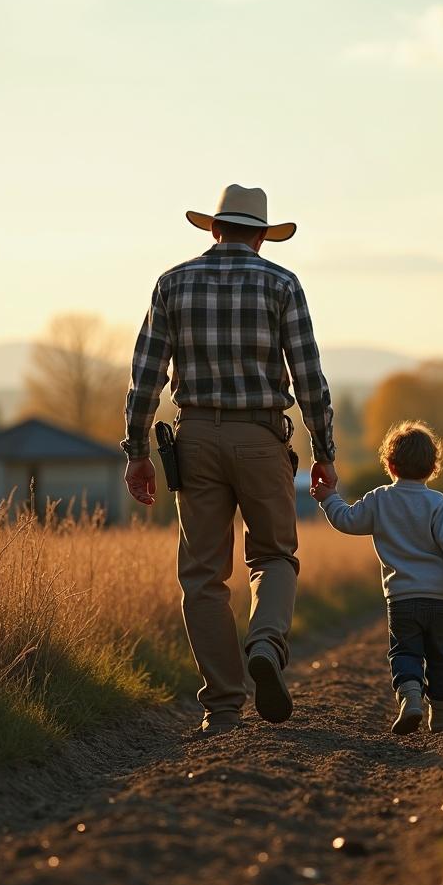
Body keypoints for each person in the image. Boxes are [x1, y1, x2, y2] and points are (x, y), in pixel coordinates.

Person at [122, 184, 336, 735]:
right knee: (275, 555)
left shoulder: (172, 283)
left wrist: (137, 451)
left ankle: (222, 706)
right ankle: (265, 643)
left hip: (193, 441)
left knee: (202, 575)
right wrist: (325, 452)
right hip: (263, 439)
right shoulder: (282, 284)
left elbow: (146, 375)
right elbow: (309, 376)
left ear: (215, 229)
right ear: (263, 236)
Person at [310, 421, 443, 734]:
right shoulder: (438, 504)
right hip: (441, 599)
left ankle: (411, 696)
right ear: (433, 467)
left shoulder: (379, 500)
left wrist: (328, 498)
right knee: (440, 654)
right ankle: (442, 716)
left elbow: (347, 520)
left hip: (402, 598)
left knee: (405, 651)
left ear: (390, 465)